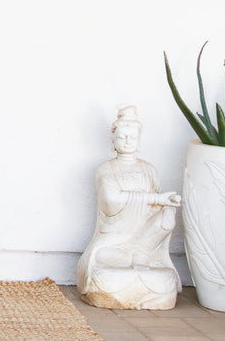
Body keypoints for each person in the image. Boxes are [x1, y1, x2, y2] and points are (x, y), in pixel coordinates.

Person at [77, 105, 182, 309]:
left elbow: (154, 214)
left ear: (139, 141)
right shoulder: (106, 170)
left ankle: (140, 258)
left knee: (166, 226)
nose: (127, 141)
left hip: (143, 244)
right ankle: (132, 264)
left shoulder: (149, 170)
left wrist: (166, 206)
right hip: (113, 244)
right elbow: (111, 200)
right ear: (113, 140)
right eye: (122, 136)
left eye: (132, 137)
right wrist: (156, 198)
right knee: (105, 276)